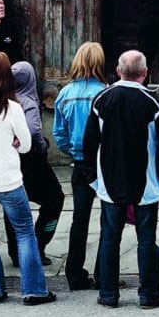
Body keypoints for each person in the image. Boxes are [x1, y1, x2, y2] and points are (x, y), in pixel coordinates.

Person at [82, 50, 159, 309]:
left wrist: (92, 172)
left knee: (110, 238)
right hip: (145, 182)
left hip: (109, 179)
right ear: (144, 73)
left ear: (118, 70)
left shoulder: (101, 99)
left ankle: (108, 293)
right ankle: (149, 294)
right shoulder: (154, 103)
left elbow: (90, 141)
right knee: (146, 239)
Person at [0, 52, 55, 306]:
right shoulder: (13, 108)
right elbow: (26, 146)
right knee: (25, 233)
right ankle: (34, 290)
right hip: (6, 179)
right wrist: (14, 140)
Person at [53, 41, 108, 291]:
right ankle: (104, 273)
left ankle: (75, 273)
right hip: (103, 163)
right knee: (109, 219)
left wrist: (73, 151)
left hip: (80, 163)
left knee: (79, 219)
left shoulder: (65, 94)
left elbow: (59, 133)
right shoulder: (105, 93)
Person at [4, 61, 65, 269]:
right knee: (55, 199)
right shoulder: (28, 101)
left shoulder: (4, 99)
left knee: (13, 204)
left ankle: (15, 251)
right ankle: (39, 243)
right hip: (32, 161)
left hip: (11, 160)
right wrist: (42, 145)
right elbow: (33, 131)